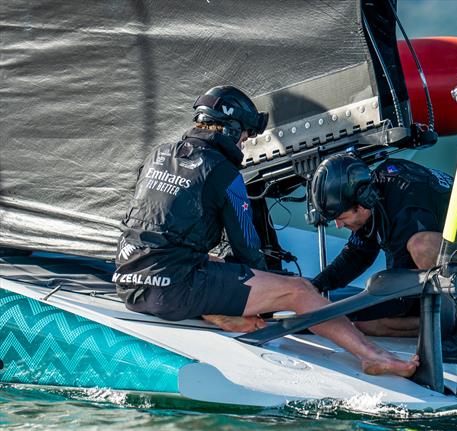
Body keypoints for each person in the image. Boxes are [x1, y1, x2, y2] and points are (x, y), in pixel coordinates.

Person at [113, 86, 417, 378]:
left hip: (129, 282)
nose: (243, 146)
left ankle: (218, 313)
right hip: (173, 290)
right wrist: (272, 294)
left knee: (209, 264)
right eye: (244, 138)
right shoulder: (223, 171)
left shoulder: (158, 154)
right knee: (297, 289)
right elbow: (247, 248)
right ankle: (373, 357)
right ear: (232, 131)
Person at [309, 154, 457, 360]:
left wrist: (340, 311)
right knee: (363, 324)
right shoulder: (372, 196)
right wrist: (315, 287)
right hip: (443, 277)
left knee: (421, 245)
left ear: (361, 204)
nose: (338, 225)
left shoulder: (407, 207)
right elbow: (357, 255)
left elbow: (401, 297)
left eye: (340, 218)